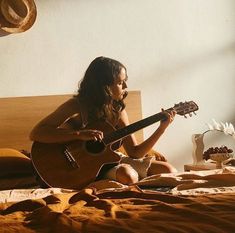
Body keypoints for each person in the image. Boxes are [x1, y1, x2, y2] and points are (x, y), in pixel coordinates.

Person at [30, 56, 177, 186]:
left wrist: (161, 128)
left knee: (168, 170)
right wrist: (78, 134)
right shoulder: (76, 106)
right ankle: (89, 183)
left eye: (125, 81)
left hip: (109, 160)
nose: (125, 87)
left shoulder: (118, 111)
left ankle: (101, 182)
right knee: (128, 176)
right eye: (120, 82)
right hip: (80, 166)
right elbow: (37, 133)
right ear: (104, 85)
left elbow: (135, 152)